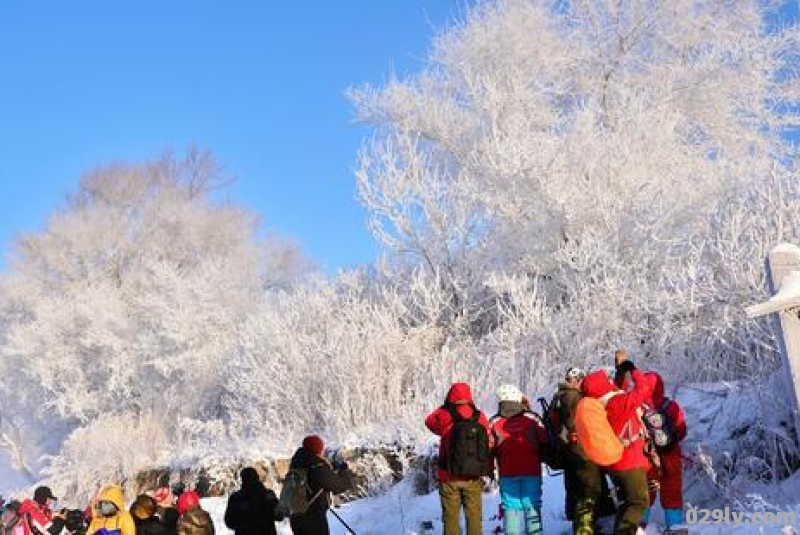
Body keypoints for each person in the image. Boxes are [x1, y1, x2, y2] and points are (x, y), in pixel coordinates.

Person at [580, 359, 651, 535]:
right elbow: (643, 389)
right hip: (630, 463)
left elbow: (619, 390)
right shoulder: (618, 403)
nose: (610, 381)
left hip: (615, 463)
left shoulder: (602, 405)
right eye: (608, 380)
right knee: (638, 502)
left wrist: (621, 372)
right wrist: (633, 370)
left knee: (627, 502)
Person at [425, 382, 493, 535]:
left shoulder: (445, 415)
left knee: (451, 519)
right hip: (473, 476)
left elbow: (429, 421)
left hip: (448, 476)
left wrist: (444, 406)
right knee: (474, 517)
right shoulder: (479, 416)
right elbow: (488, 442)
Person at [490, 384, 547, 535]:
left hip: (507, 472)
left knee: (511, 508)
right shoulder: (532, 418)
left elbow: (488, 447)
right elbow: (545, 439)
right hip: (531, 470)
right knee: (532, 505)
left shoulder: (494, 422)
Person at [641, 371, 688, 532]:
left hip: (648, 458)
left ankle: (639, 527)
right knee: (672, 492)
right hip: (671, 456)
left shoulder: (639, 408)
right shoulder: (672, 406)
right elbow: (682, 431)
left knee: (645, 492)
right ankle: (674, 527)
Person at [287, 435, 353, 535]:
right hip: (314, 520)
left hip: (296, 519)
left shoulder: (297, 464)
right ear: (317, 450)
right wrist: (343, 470)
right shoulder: (317, 467)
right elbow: (341, 485)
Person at [224, 467, 283, 535]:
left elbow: (229, 522)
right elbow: (279, 516)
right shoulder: (268, 494)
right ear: (257, 478)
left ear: (243, 480)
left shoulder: (236, 498)